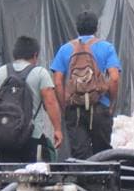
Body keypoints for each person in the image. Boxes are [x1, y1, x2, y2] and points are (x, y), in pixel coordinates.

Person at [51, 11, 122, 159]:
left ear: (77, 28)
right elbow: (114, 78)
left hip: (74, 110)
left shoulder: (65, 49)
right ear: (96, 27)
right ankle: (101, 181)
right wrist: (111, 103)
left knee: (79, 155)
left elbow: (57, 82)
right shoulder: (106, 47)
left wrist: (65, 105)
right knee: (103, 155)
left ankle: (83, 182)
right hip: (100, 106)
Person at [0, 36, 64, 162]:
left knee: (7, 176)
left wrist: (7, 124)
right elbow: (50, 102)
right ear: (35, 55)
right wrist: (57, 129)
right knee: (32, 176)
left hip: (4, 137)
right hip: (32, 136)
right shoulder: (40, 73)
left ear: (15, 54)